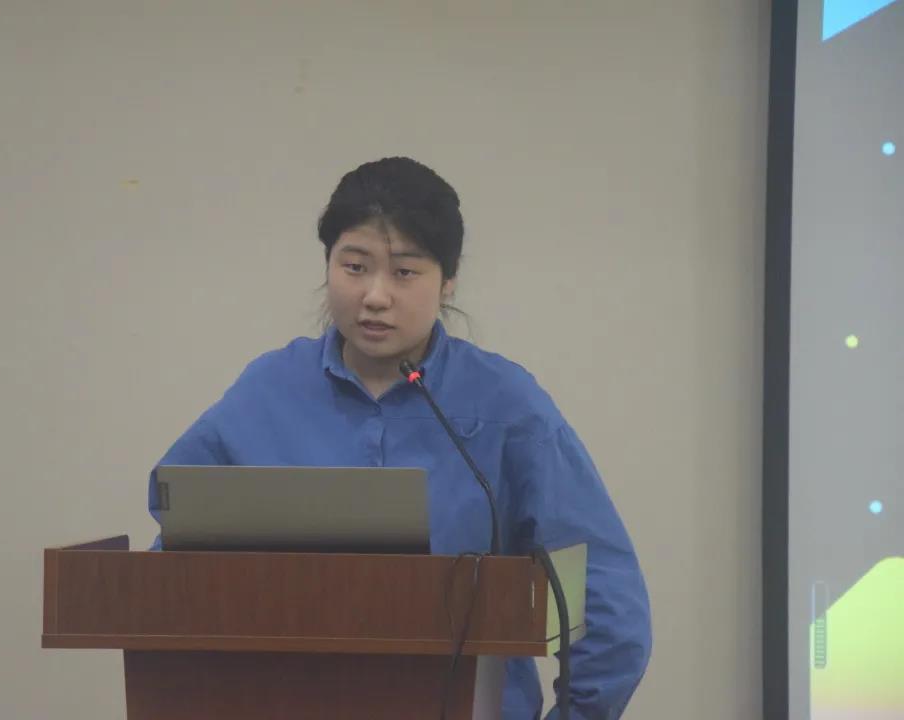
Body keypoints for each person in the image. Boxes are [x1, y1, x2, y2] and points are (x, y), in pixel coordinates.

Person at [147, 156, 652, 719]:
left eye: (405, 272)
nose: (375, 296)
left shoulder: (506, 406)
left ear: (448, 280)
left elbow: (605, 599)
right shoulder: (267, 390)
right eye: (355, 266)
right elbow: (174, 547)